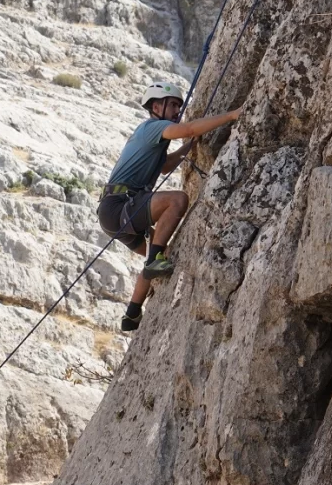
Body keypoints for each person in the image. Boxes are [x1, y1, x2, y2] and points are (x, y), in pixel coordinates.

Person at [98, 81, 241, 331]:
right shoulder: (154, 127)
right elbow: (186, 129)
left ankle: (132, 313)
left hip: (115, 212)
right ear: (157, 106)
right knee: (178, 199)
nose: (177, 110)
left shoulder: (152, 138)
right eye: (173, 104)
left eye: (178, 105)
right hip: (120, 206)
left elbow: (165, 165)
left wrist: (189, 148)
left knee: (160, 253)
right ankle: (155, 260)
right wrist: (231, 115)